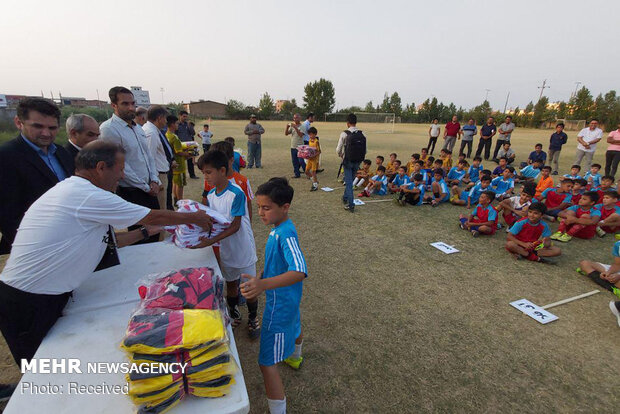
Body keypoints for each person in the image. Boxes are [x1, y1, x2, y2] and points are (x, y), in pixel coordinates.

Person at [0, 141, 214, 364]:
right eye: (120, 169)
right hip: (27, 301)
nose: (121, 176)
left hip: (44, 295)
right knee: (42, 371)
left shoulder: (76, 190)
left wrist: (146, 232)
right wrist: (194, 217)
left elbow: (109, 240)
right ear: (101, 167)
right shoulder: (87, 195)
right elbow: (152, 215)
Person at [240, 177, 307, 414]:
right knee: (295, 323)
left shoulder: (286, 234)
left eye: (266, 208)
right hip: (290, 301)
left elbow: (299, 270)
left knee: (266, 362)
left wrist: (263, 285)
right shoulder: (279, 228)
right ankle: (296, 357)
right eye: (258, 207)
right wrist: (262, 275)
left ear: (285, 207)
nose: (260, 212)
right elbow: (277, 264)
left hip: (279, 307)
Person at [194, 150, 260, 338]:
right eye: (203, 173)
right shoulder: (212, 195)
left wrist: (212, 241)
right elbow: (214, 221)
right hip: (227, 250)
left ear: (222, 170)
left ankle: (254, 317)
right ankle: (233, 311)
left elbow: (235, 225)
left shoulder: (236, 193)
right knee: (231, 285)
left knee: (249, 287)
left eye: (208, 172)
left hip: (243, 248)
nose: (206, 177)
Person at [0, 98, 74, 254]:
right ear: (19, 122)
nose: (46, 133)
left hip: (69, 240)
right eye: (38, 126)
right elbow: (8, 214)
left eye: (52, 128)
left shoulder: (62, 153)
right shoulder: (6, 157)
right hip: (35, 247)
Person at [100, 86, 161, 242]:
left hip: (150, 188)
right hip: (132, 191)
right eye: (125, 104)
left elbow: (148, 157)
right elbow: (121, 166)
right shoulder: (109, 129)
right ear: (114, 105)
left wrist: (154, 179)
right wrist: (146, 187)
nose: (130, 107)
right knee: (141, 236)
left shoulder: (138, 128)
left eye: (133, 103)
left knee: (155, 231)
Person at [202, 140, 254, 222]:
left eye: (221, 161)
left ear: (231, 160)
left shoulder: (242, 181)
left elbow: (248, 205)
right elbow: (205, 200)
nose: (218, 165)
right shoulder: (210, 180)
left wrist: (248, 223)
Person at [143, 106, 175, 212]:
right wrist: (157, 181)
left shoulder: (153, 130)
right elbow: (148, 159)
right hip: (158, 175)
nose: (166, 122)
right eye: (165, 118)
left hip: (160, 174)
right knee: (161, 209)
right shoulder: (151, 133)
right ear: (159, 118)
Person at [336, 113, 366, 212]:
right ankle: (345, 197)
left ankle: (351, 204)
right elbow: (365, 150)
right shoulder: (362, 134)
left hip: (348, 160)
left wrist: (341, 155)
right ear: (356, 122)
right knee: (350, 180)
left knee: (348, 183)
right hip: (358, 160)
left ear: (347, 123)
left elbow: (338, 149)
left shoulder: (344, 134)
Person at [166, 115, 191, 204]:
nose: (177, 125)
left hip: (172, 164)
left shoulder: (166, 135)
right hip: (179, 164)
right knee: (180, 184)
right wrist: (188, 154)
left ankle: (176, 199)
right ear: (172, 124)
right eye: (176, 123)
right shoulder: (174, 137)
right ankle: (180, 201)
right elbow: (178, 152)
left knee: (175, 183)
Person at [176, 110, 198, 179]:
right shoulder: (176, 124)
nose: (185, 118)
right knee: (180, 160)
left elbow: (193, 133)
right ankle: (181, 175)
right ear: (180, 116)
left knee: (190, 160)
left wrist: (190, 126)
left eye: (186, 116)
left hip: (189, 144)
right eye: (184, 116)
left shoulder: (188, 124)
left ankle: (192, 175)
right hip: (180, 145)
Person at [285, 114, 306, 178]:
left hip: (300, 146)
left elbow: (300, 135)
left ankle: (307, 173)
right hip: (293, 146)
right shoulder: (292, 126)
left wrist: (295, 128)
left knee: (301, 161)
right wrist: (287, 127)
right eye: (294, 118)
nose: (295, 119)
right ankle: (297, 174)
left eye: (296, 118)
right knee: (294, 161)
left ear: (300, 118)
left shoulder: (302, 126)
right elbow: (286, 134)